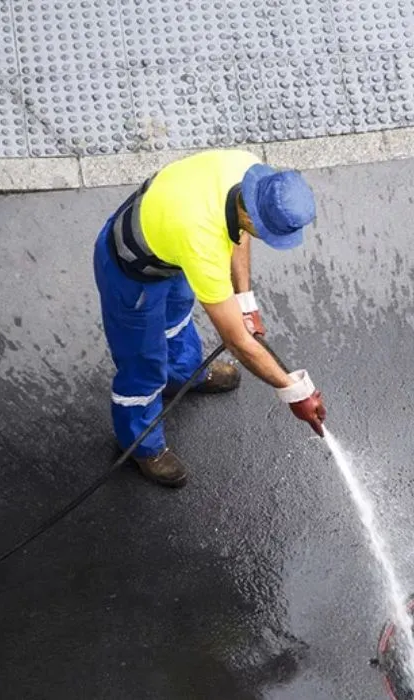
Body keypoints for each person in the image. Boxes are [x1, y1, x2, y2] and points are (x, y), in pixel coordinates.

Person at [92, 149, 327, 488]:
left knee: (176, 320)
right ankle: (141, 445)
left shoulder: (249, 173)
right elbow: (238, 342)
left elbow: (238, 234)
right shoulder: (201, 241)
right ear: (251, 214)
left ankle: (184, 373)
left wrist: (245, 301)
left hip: (170, 253)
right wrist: (295, 392)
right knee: (143, 364)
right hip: (131, 273)